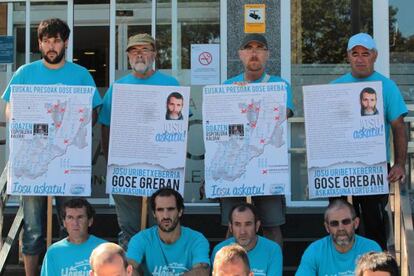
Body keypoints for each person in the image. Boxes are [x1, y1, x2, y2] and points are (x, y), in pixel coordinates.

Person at [1, 18, 102, 276]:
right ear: (40, 43)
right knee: (34, 228)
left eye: (57, 40)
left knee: (68, 223)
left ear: (65, 43)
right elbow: (10, 107)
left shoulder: (80, 75)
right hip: (33, 161)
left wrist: (75, 129)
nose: (52, 46)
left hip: (68, 161)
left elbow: (93, 111)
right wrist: (19, 122)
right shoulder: (24, 73)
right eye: (47, 41)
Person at [98, 33, 179, 249]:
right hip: (125, 172)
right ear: (128, 56)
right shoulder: (117, 88)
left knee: (162, 228)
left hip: (161, 171)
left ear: (154, 54)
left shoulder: (171, 85)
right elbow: (106, 126)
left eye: (144, 49)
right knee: (129, 231)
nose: (139, 54)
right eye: (134, 51)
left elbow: (181, 125)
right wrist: (110, 161)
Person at [332, 32, 408, 250]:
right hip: (339, 168)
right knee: (338, 221)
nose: (360, 58)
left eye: (365, 53)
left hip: (373, 168)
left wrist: (400, 163)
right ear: (348, 56)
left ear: (374, 56)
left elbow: (398, 127)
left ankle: (377, 267)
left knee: (373, 223)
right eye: (355, 53)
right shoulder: (335, 87)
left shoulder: (387, 86)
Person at [221, 33, 294, 246]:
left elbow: (282, 114)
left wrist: (247, 101)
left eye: (260, 48)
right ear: (240, 54)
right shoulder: (227, 86)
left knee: (271, 226)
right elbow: (221, 126)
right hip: (235, 165)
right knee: (233, 226)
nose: (254, 53)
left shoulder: (280, 85)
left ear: (267, 54)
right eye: (249, 48)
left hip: (267, 164)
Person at [126, 188, 210, 275]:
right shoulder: (141, 239)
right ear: (154, 213)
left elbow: (202, 271)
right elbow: (128, 269)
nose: (165, 216)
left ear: (180, 211)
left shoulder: (196, 239)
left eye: (170, 209)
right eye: (160, 210)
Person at [296, 199, 381, 275]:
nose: (341, 228)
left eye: (346, 222)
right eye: (334, 223)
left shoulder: (371, 249)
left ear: (356, 223)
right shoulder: (315, 251)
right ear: (327, 227)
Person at [211, 203, 282, 275]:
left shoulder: (272, 250)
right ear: (230, 227)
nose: (243, 232)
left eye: (248, 224)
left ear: (257, 226)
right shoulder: (219, 250)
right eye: (237, 224)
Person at [41, 198, 106, 275]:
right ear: (64, 223)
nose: (75, 223)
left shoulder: (104, 249)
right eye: (70, 217)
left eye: (80, 217)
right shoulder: (54, 252)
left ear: (90, 221)